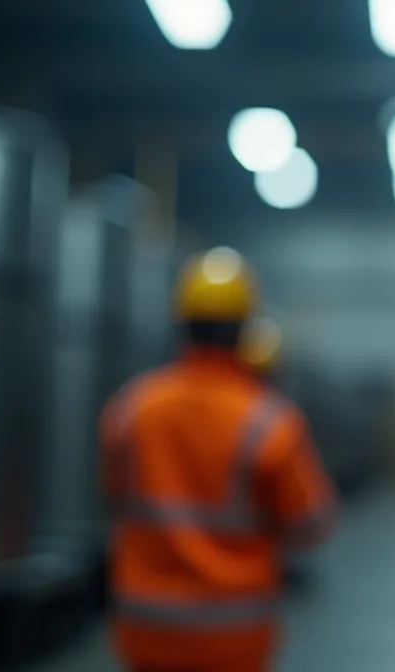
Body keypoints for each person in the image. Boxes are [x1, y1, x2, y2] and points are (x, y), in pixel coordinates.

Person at [100, 246, 339, 672]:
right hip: (233, 638)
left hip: (146, 631)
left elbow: (114, 495)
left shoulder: (131, 408)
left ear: (181, 322)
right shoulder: (269, 421)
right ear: (246, 327)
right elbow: (311, 523)